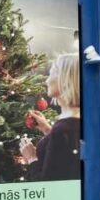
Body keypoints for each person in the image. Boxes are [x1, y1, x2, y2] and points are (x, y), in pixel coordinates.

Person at [20, 53, 81, 181]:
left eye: (52, 74)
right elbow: (64, 153)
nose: (47, 81)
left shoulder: (64, 129)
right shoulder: (75, 121)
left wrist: (31, 158)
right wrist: (47, 130)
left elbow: (48, 184)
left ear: (65, 79)